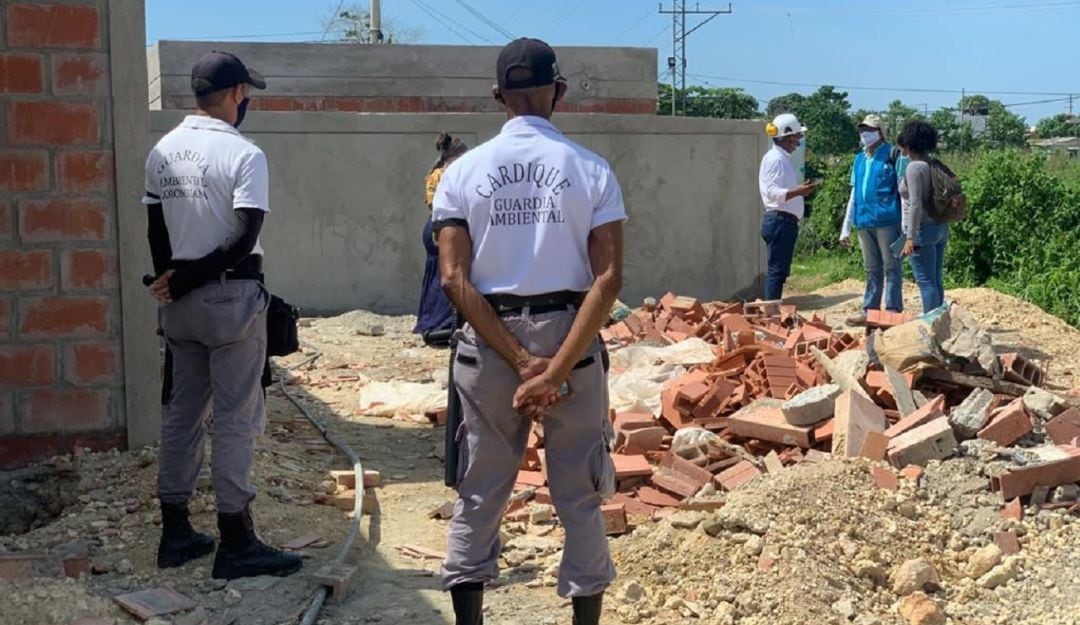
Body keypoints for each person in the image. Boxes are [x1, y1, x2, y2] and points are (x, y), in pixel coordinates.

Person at [432, 38, 625, 625]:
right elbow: (609, 278)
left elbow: (452, 279)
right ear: (558, 92)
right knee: (580, 492)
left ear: (498, 97)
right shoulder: (591, 170)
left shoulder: (460, 173)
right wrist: (556, 368)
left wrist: (519, 361)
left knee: (481, 487)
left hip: (490, 343)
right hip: (572, 336)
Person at [142, 51, 301, 580]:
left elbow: (157, 231)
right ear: (235, 94)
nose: (247, 101)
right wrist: (190, 277)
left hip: (181, 308)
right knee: (234, 417)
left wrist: (170, 279)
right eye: (246, 93)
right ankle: (236, 540)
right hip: (229, 301)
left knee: (181, 415)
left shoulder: (162, 152)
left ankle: (175, 531)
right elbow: (244, 237)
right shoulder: (244, 154)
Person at [840, 114, 904, 325]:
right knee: (871, 268)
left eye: (869, 129)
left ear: (880, 132)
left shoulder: (893, 155)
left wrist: (905, 227)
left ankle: (893, 311)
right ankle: (870, 310)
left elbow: (904, 193)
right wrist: (846, 228)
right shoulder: (859, 159)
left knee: (891, 266)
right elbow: (853, 194)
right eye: (862, 130)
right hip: (864, 221)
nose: (865, 134)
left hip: (888, 220)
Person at [758, 113, 819, 301]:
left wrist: (798, 190)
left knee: (779, 272)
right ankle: (772, 314)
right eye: (797, 137)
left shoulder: (781, 158)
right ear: (787, 137)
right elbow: (772, 192)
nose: (798, 142)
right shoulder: (775, 159)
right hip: (780, 221)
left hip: (783, 221)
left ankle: (773, 312)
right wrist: (798, 191)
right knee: (776, 272)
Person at [415, 133, 469, 343]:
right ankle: (440, 325)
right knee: (444, 275)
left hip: (435, 227)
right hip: (442, 228)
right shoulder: (446, 174)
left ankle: (431, 322)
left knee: (436, 275)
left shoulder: (437, 173)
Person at [897, 120, 949, 314]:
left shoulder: (914, 168)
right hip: (940, 227)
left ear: (908, 146)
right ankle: (940, 320)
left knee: (925, 282)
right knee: (935, 279)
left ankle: (931, 324)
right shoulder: (933, 164)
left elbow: (915, 202)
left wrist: (910, 237)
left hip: (922, 231)